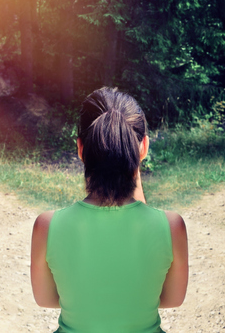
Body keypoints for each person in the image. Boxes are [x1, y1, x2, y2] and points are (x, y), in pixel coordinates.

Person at [31, 87, 188, 332]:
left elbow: (45, 299)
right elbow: (172, 299)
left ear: (81, 148)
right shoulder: (171, 226)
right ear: (143, 147)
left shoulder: (47, 226)